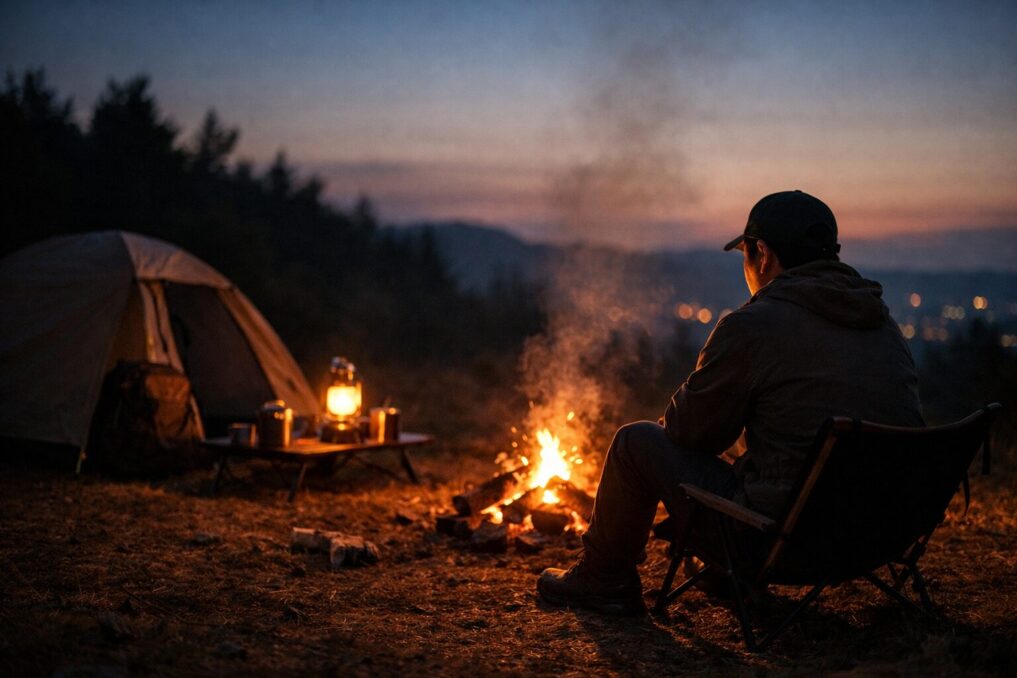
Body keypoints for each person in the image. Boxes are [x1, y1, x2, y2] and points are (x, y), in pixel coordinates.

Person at [537, 189, 924, 615]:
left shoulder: (756, 325)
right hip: (880, 537)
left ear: (762, 254)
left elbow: (688, 432)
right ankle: (721, 574)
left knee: (636, 443)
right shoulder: (882, 322)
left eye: (745, 255)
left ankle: (603, 580)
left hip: (788, 545)